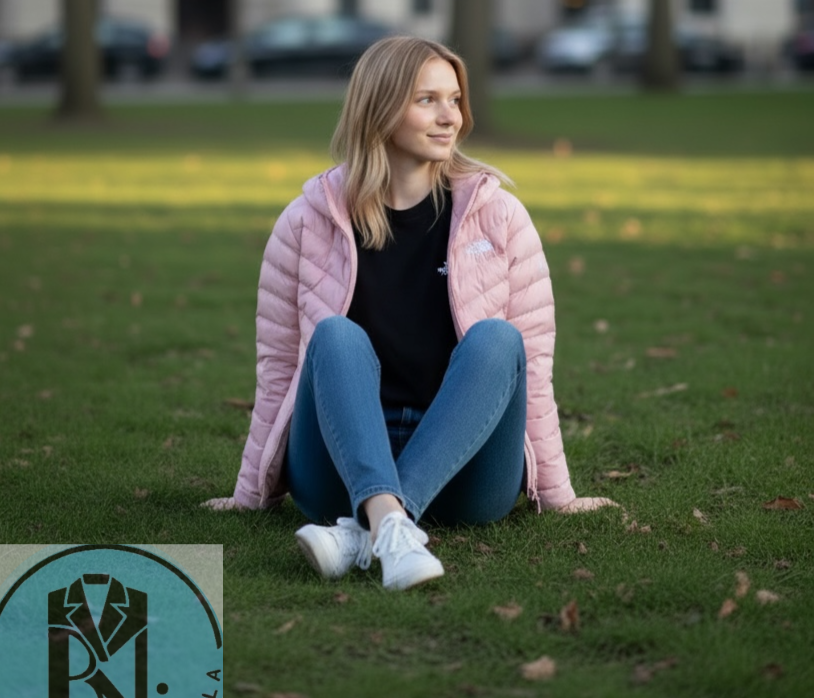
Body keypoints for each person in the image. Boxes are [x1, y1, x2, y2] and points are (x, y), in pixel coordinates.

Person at [203, 36, 615, 590]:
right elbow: (278, 368)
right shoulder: (305, 223)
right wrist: (249, 493)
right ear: (380, 107)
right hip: (337, 464)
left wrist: (559, 497)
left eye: (455, 99)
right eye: (428, 100)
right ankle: (387, 523)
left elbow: (532, 369)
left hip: (465, 470)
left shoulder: (499, 218)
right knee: (334, 337)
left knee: (499, 340)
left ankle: (371, 527)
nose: (451, 117)